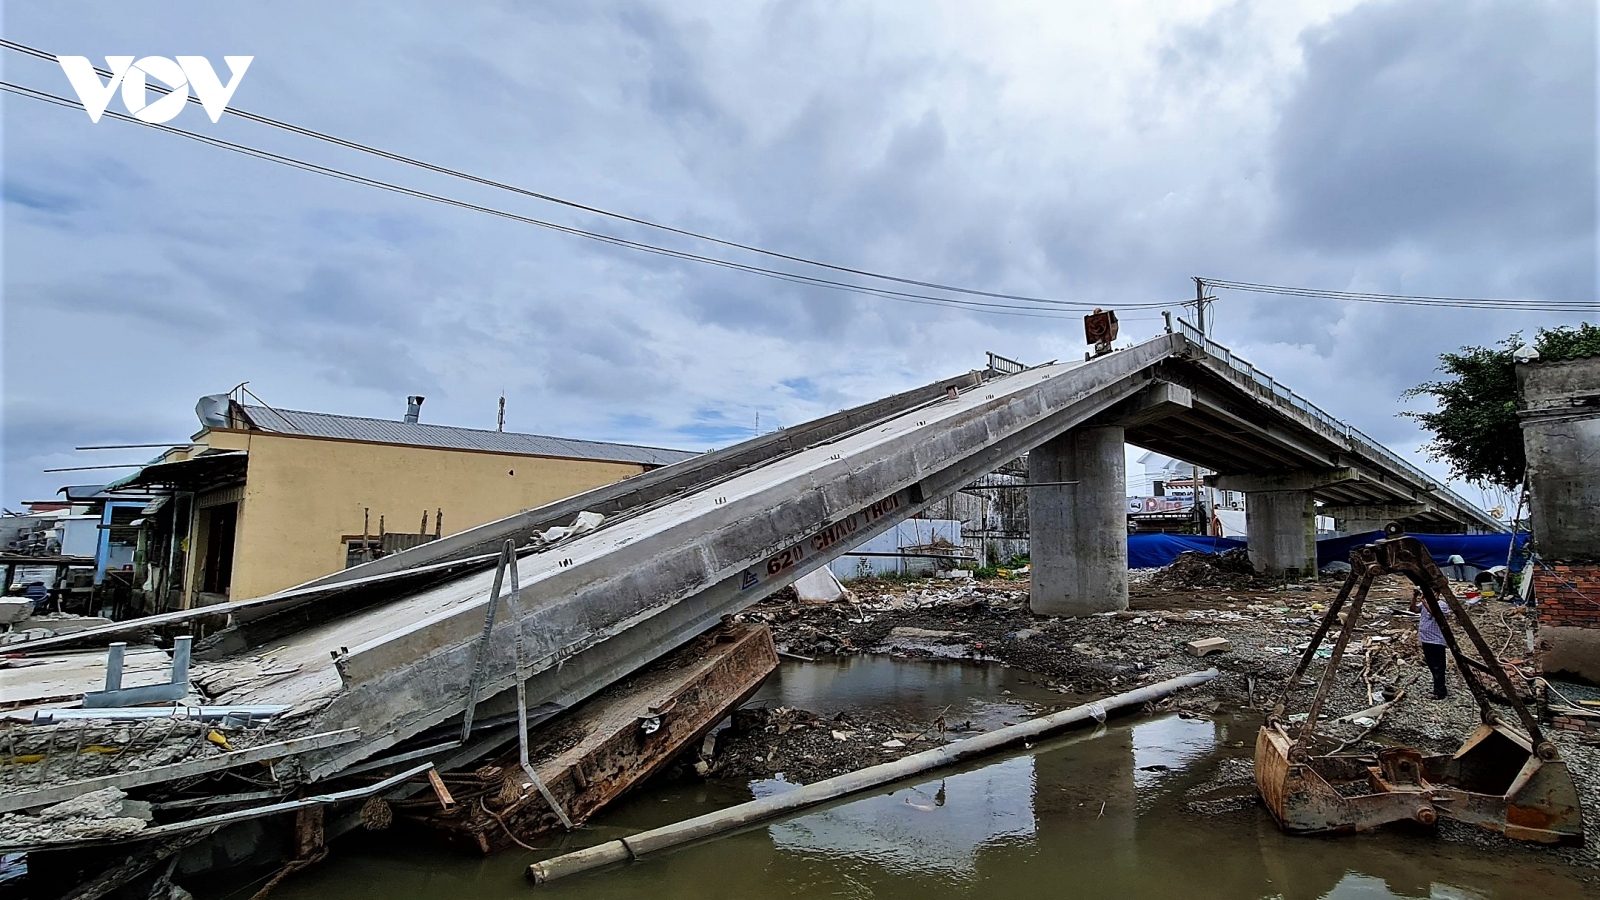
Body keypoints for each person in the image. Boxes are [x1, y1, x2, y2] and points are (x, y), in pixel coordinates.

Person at [1412, 588, 1448, 700]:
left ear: (1437, 594)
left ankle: (1440, 692)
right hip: (1426, 639)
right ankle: (1438, 688)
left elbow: (1434, 613)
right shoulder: (1425, 604)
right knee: (1432, 666)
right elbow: (1413, 609)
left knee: (1438, 666)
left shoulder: (1442, 604)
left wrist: (1423, 601)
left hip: (1436, 640)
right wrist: (1414, 597)